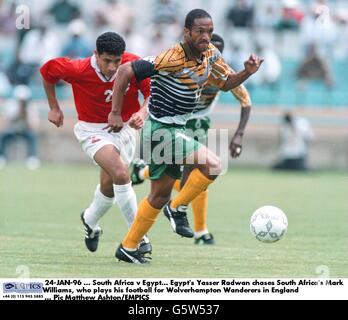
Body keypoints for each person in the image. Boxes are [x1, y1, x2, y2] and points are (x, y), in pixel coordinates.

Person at [107, 9, 263, 264]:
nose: (206, 36)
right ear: (187, 32)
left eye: (209, 31)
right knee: (214, 164)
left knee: (158, 195)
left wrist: (247, 72)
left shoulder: (211, 54)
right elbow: (125, 71)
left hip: (174, 129)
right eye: (200, 31)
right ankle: (178, 208)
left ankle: (128, 247)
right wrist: (115, 112)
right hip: (160, 130)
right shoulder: (172, 58)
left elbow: (225, 83)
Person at [131, 34, 252, 245]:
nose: (208, 53)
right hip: (174, 120)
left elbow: (245, 101)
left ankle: (142, 172)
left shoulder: (222, 72)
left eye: (215, 51)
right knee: (190, 174)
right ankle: (198, 229)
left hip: (198, 122)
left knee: (193, 178)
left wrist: (239, 135)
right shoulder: (182, 64)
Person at [40, 32, 152, 255]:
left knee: (109, 187)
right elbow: (47, 72)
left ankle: (90, 220)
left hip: (126, 130)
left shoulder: (133, 64)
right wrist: (54, 107)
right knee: (121, 174)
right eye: (107, 60)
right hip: (93, 130)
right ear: (96, 55)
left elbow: (151, 94)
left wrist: (142, 112)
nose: (112, 67)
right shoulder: (77, 69)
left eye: (116, 61)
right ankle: (138, 238)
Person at [0, 85, 40, 170]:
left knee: (32, 137)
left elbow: (34, 125)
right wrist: (19, 112)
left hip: (26, 130)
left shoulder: (32, 106)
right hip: (12, 129)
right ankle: (2, 157)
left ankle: (32, 158)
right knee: (3, 136)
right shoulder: (11, 105)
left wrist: (26, 114)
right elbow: (8, 121)